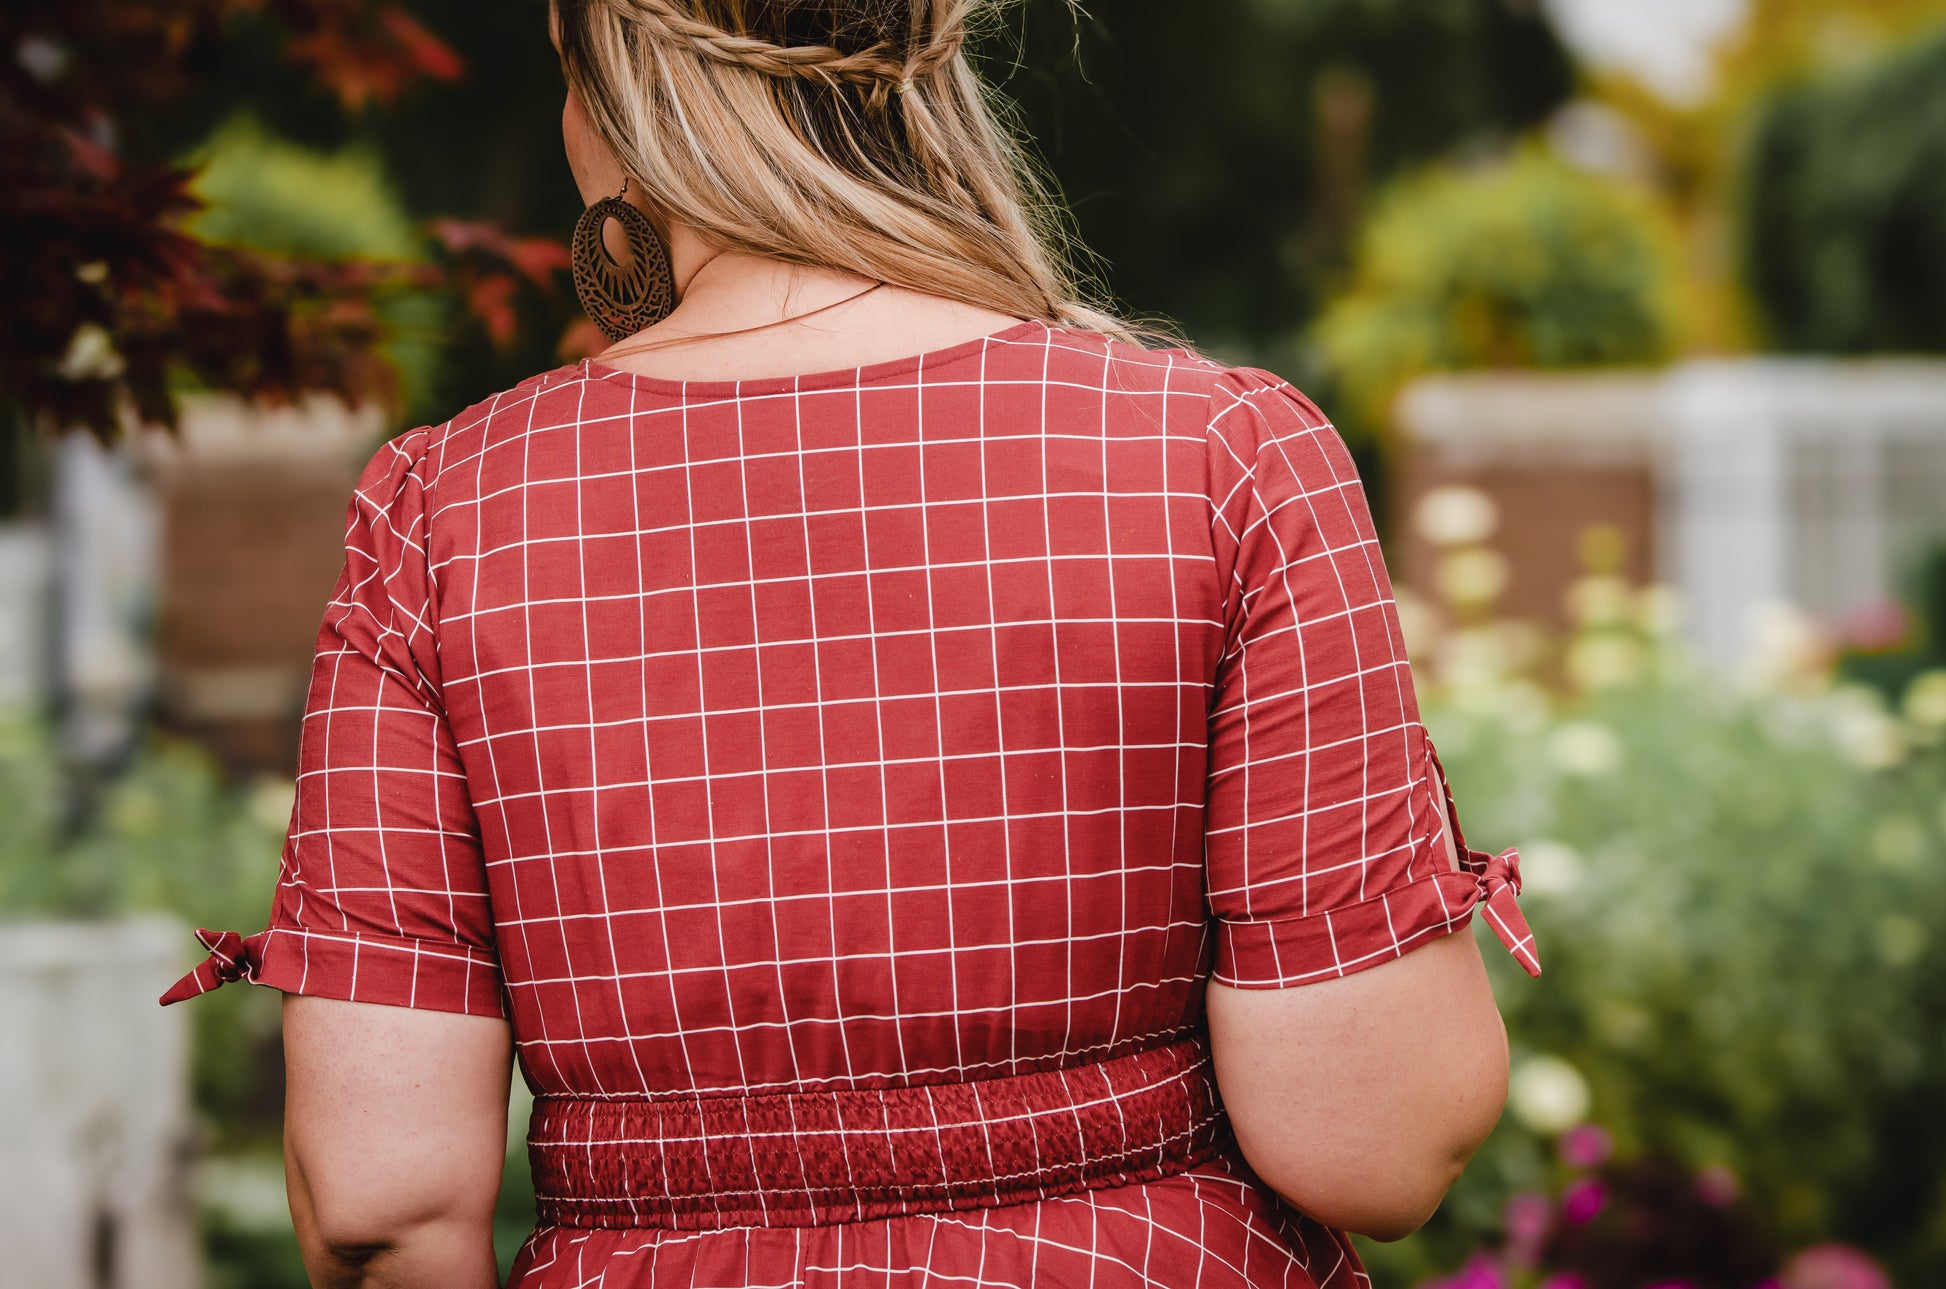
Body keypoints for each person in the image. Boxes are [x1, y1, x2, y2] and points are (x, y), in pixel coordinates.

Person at [161, 1, 1540, 1285]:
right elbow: (1375, 1133)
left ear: (616, 95)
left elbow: (382, 1198)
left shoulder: (444, 512)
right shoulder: (1222, 459)